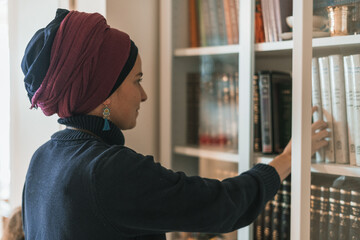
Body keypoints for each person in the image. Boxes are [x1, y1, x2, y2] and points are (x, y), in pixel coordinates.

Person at [21, 9, 329, 240]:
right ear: (105, 93)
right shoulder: (107, 169)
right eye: (136, 81)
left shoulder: (42, 159)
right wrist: (288, 159)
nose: (144, 95)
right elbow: (220, 205)